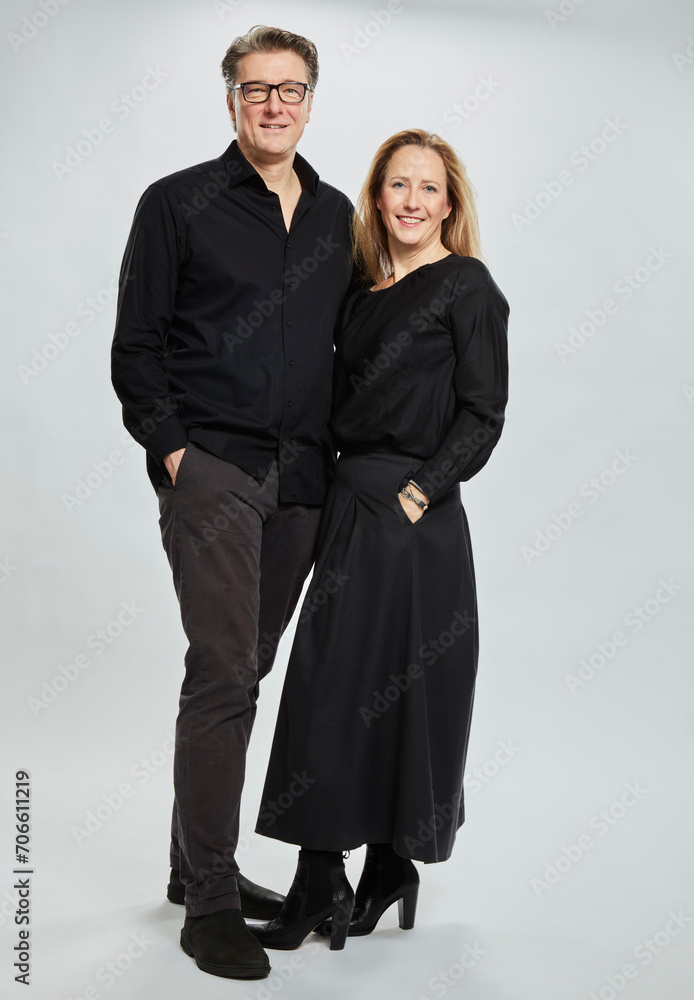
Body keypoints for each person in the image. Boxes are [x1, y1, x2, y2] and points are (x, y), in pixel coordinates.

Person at [110, 26, 354, 980]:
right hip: (214, 470)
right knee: (221, 672)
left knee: (246, 670)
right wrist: (177, 454)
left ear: (310, 101)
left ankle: (190, 866)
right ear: (230, 100)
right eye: (257, 89)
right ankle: (210, 900)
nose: (274, 104)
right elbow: (136, 346)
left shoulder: (336, 214)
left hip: (304, 480)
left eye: (291, 89)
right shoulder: (175, 203)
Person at [250, 129, 509, 952]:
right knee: (336, 685)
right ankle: (364, 868)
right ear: (377, 195)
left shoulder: (467, 286)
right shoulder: (361, 292)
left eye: (429, 188)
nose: (412, 201)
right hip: (348, 500)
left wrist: (418, 493)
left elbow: (484, 411)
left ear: (450, 203)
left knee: (379, 689)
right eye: (399, 184)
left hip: (412, 518)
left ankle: (340, 872)